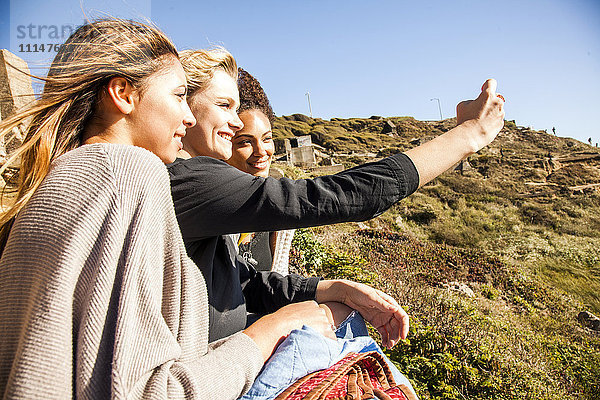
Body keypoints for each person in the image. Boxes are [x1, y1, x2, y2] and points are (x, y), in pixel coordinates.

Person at [0, 19, 340, 400]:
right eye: (179, 96)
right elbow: (142, 392)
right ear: (123, 93)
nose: (189, 116)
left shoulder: (60, 180)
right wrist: (272, 329)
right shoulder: (128, 172)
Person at [169, 48, 505, 347]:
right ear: (185, 107)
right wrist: (467, 136)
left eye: (236, 107)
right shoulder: (189, 181)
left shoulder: (191, 179)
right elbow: (335, 196)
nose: (233, 120)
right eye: (223, 105)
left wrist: (335, 288)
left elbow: (243, 281)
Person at [226, 68, 294, 274]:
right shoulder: (213, 209)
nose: (261, 151)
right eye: (245, 141)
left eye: (267, 138)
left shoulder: (277, 211)